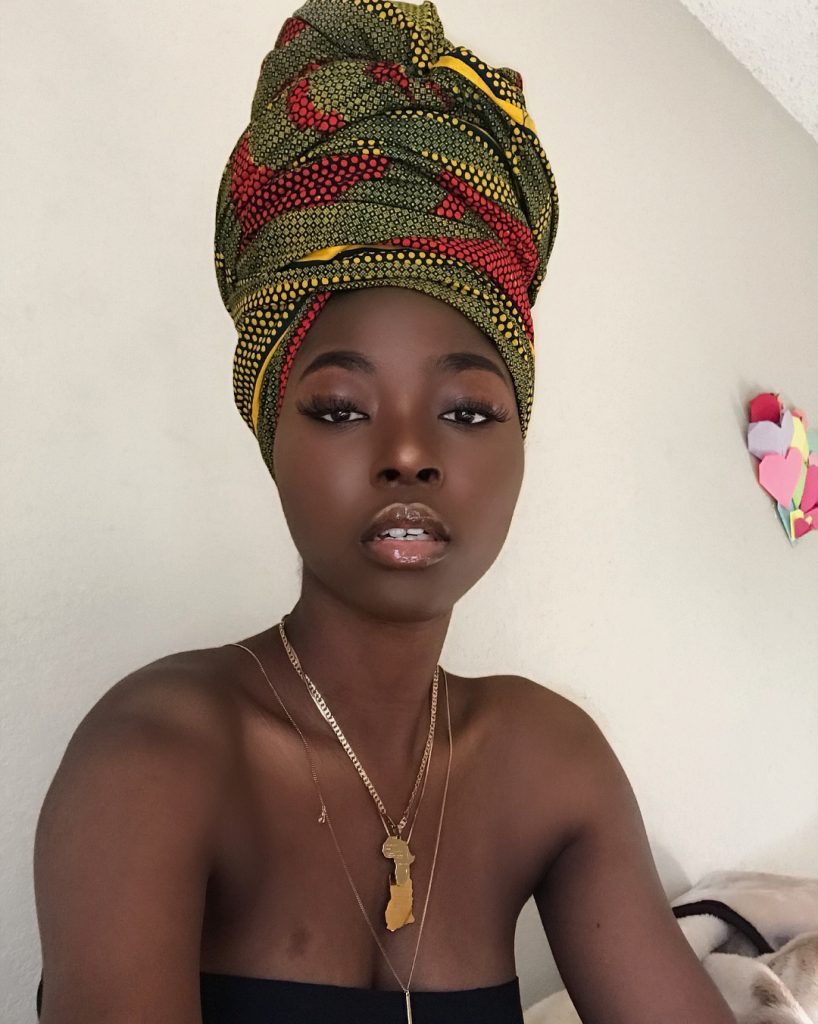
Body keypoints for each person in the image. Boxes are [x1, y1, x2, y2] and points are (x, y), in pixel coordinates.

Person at [33, 1, 737, 1022]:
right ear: (273, 435)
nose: (408, 452)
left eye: (466, 410)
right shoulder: (154, 759)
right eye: (339, 408)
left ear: (518, 445)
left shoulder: (550, 762)